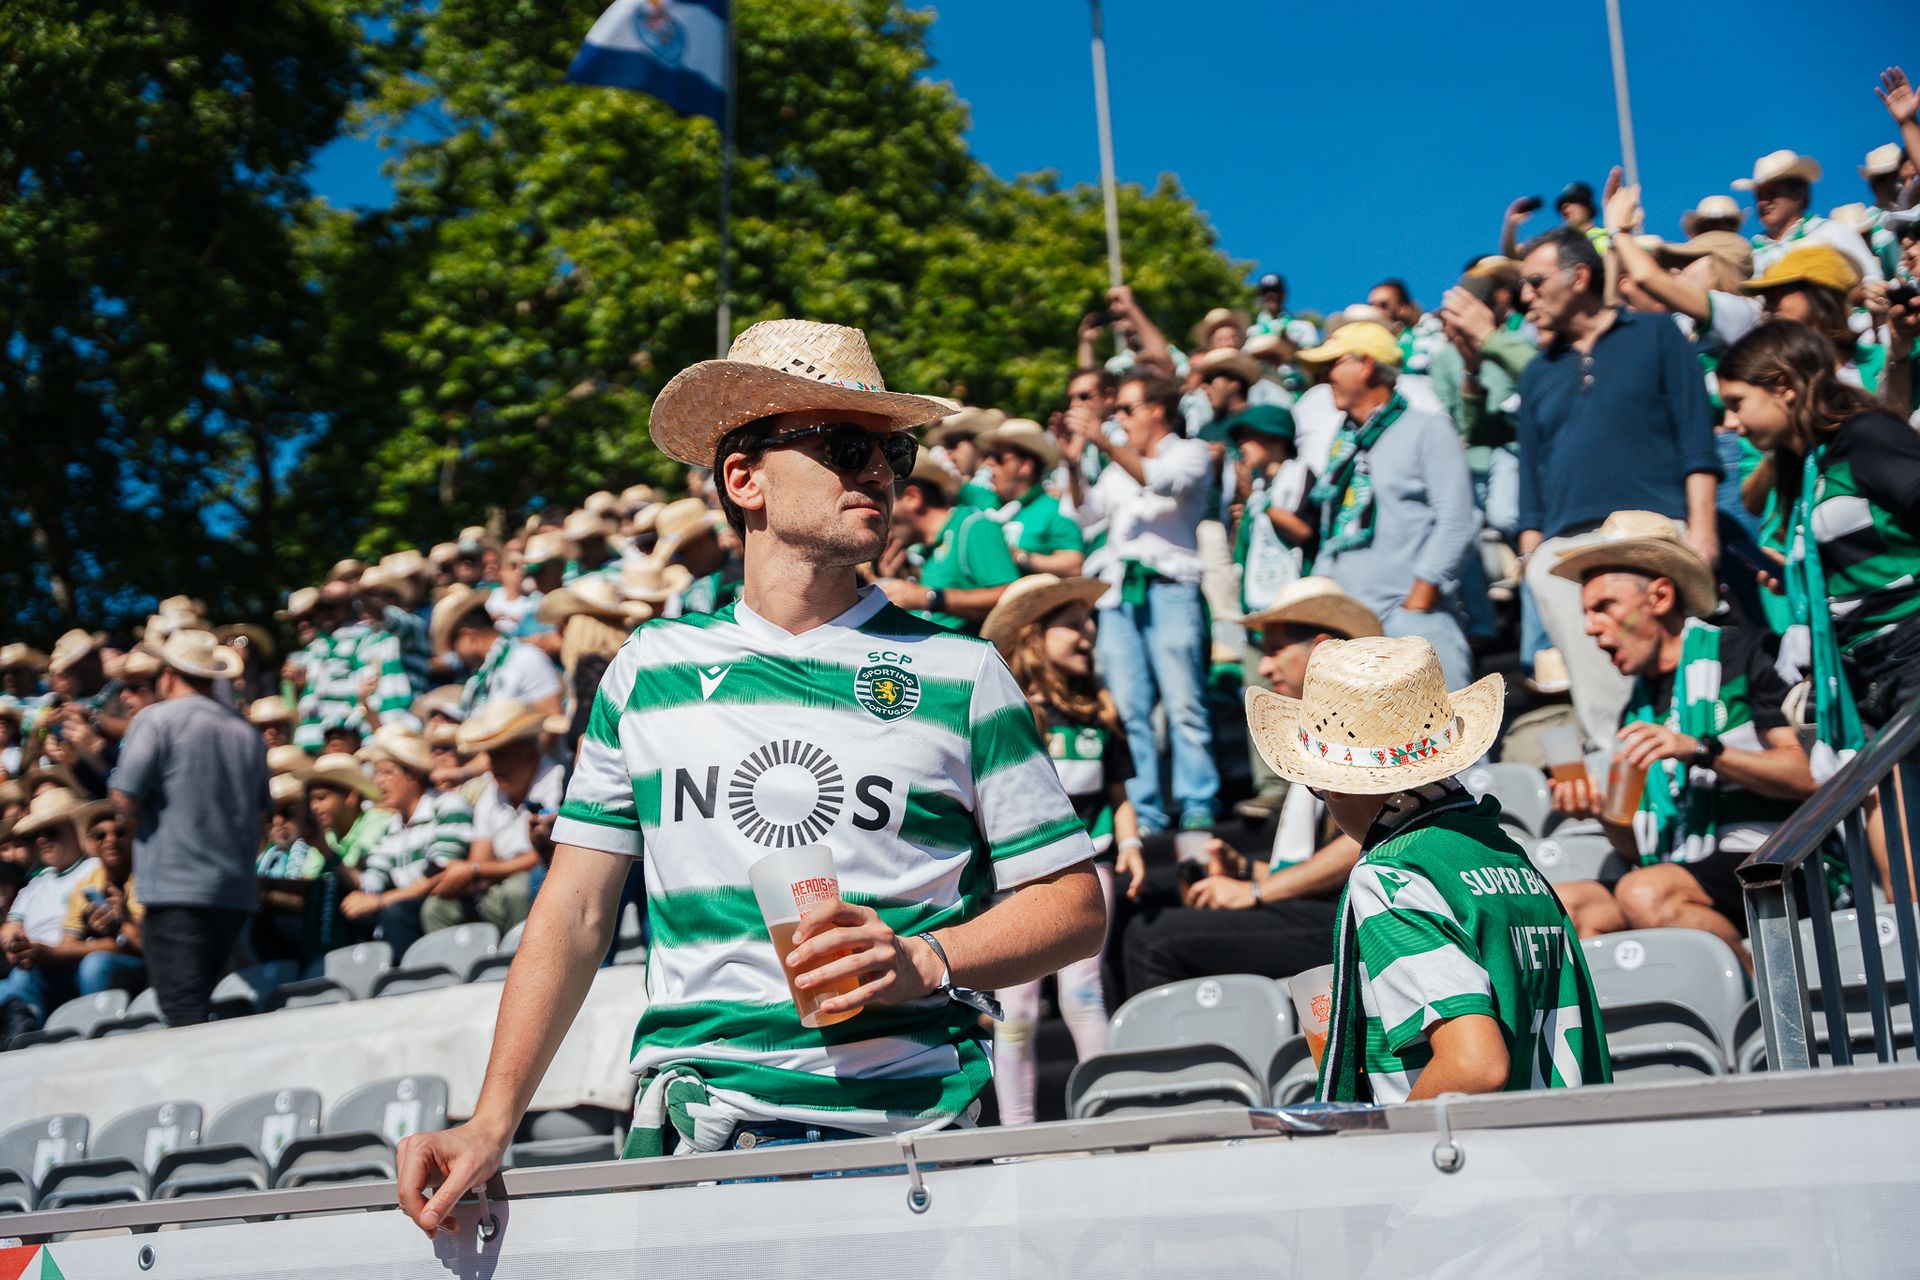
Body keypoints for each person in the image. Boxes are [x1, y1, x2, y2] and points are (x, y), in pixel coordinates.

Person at [395, 319, 1102, 1232]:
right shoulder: (648, 671)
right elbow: (572, 913)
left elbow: (1075, 904)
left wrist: (925, 959)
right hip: (699, 1147)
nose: (883, 473)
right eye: (849, 447)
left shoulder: (963, 672)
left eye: (896, 449)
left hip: (917, 1148)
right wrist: (494, 1120)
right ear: (745, 478)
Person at [1245, 635, 1612, 1102]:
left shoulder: (1391, 876)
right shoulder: (1501, 850)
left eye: (1316, 787)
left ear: (1333, 786)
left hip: (1477, 1162)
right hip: (1570, 1140)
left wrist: (1386, 1146)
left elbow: (1475, 1065)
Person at [1544, 512, 1814, 954]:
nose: (1590, 628)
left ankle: (1758, 1018)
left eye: (1604, 607)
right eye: (1586, 613)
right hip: (1678, 866)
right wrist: (1598, 810)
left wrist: (1702, 750)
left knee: (1645, 893)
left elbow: (1809, 775)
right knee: (1565, 910)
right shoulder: (1635, 709)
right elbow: (1633, 845)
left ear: (1660, 596)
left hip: (1775, 859)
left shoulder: (1747, 654)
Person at [1516, 227, 1723, 758]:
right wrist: (1533, 558)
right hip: (1564, 553)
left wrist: (1702, 530)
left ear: (1579, 276)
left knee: (1684, 674)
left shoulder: (1656, 334)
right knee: (1601, 702)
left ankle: (1701, 763)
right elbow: (1530, 481)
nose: (1525, 296)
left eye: (1536, 281)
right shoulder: (1537, 372)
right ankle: (1628, 781)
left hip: (1654, 533)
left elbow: (1696, 438)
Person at [1121, 579, 1380, 994]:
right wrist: (1245, 869)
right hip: (1327, 909)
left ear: (1321, 648)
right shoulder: (1322, 726)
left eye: (1274, 649)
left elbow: (1371, 842)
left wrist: (1254, 891)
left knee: (1153, 941)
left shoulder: (1366, 726)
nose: (1262, 666)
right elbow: (1320, 861)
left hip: (1361, 918)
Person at [979, 575, 1142, 1126]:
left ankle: (1109, 1121)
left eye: (1089, 623)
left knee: (1083, 995)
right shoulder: (1013, 715)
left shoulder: (1100, 709)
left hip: (1090, 869)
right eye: (1072, 625)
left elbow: (1119, 794)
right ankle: (1016, 1137)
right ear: (1033, 637)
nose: (1088, 634)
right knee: (1017, 1007)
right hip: (1016, 879)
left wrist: (1134, 843)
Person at [1720, 319, 1920, 758]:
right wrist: (1799, 580)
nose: (1731, 423)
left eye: (1737, 403)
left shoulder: (1866, 436)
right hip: (1863, 671)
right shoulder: (1812, 467)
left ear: (1784, 386)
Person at [1063, 371, 1221, 834]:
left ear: (1157, 409)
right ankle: (1146, 810)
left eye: (1127, 409)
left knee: (1184, 702)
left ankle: (1198, 803)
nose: (1119, 418)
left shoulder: (1191, 452)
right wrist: (1073, 462)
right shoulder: (1115, 468)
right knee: (1129, 708)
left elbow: (1162, 482)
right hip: (1118, 595)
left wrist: (1103, 442)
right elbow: (1084, 515)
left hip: (1171, 588)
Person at [1294, 320, 1478, 690]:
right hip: (1353, 638)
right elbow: (1333, 532)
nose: (1324, 375)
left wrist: (1417, 601)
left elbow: (1458, 519)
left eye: (1333, 364)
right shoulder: (1343, 447)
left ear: (1365, 365)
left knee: (1450, 744)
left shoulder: (1427, 427)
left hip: (1411, 621)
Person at [110, 630, 270, 1026]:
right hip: (234, 892)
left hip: (176, 888)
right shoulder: (246, 733)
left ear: (167, 676)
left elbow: (124, 798)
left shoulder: (156, 719)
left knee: (183, 1008)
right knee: (203, 1000)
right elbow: (262, 813)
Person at [419, 699, 560, 936]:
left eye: (500, 754)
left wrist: (473, 870)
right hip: (501, 886)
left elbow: (543, 856)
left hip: (545, 883)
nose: (492, 766)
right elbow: (480, 857)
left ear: (529, 753)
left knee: (520, 888)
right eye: (490, 756)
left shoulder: (557, 780)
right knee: (437, 908)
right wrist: (463, 875)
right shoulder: (491, 794)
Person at [339, 724, 472, 957]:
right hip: (408, 905)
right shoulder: (392, 826)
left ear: (414, 777)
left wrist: (380, 901)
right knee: (355, 914)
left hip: (443, 904)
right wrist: (328, 855)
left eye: (388, 773)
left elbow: (439, 873)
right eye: (377, 774)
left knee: (396, 913)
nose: (379, 782)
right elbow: (372, 881)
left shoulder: (447, 806)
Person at [0, 789, 107, 1037]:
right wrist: (14, 941)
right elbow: (11, 927)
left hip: (75, 961)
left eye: (51, 831)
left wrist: (48, 952)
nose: (41, 841)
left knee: (22, 980)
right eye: (36, 835)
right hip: (35, 965)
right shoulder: (36, 884)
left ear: (75, 828)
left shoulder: (94, 869)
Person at [879, 453, 1021, 634]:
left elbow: (1012, 597)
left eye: (886, 500)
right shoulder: (925, 549)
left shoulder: (974, 527)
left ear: (912, 498)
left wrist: (929, 598)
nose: (880, 514)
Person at [1735, 149, 1882, 283]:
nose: (1763, 203)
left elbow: (1871, 278)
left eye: (1773, 194)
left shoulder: (1832, 232)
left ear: (1799, 196)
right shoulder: (1751, 252)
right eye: (1759, 197)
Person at [432, 585, 563, 719]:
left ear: (468, 636)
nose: (457, 655)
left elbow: (552, 718)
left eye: (454, 648)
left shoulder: (526, 658)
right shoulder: (484, 675)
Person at [977, 418, 1086, 576]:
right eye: (987, 456)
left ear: (1025, 466)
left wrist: (1021, 558)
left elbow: (1074, 564)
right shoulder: (987, 503)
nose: (988, 463)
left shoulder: (1053, 510)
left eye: (999, 458)